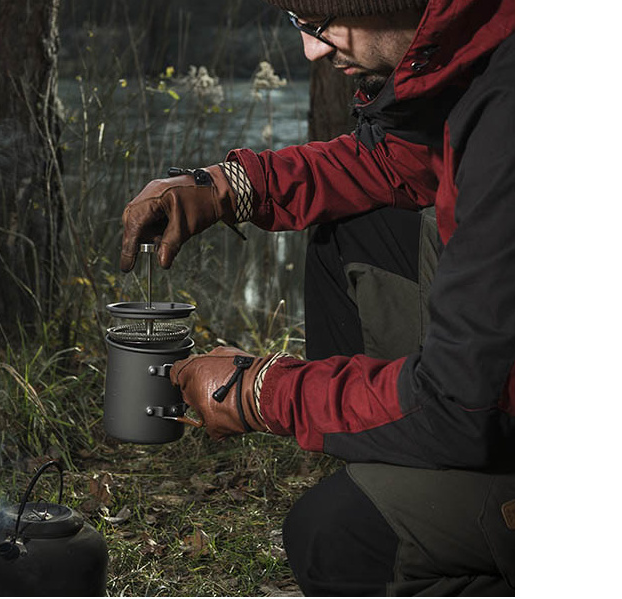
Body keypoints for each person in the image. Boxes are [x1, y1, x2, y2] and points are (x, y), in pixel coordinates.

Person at [119, 0, 514, 595]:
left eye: (320, 24)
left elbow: (461, 402)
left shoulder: (514, 114)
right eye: (298, 23)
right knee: (356, 227)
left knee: (333, 538)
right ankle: (389, 461)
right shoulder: (481, 49)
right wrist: (226, 188)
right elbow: (400, 161)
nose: (311, 50)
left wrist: (262, 392)